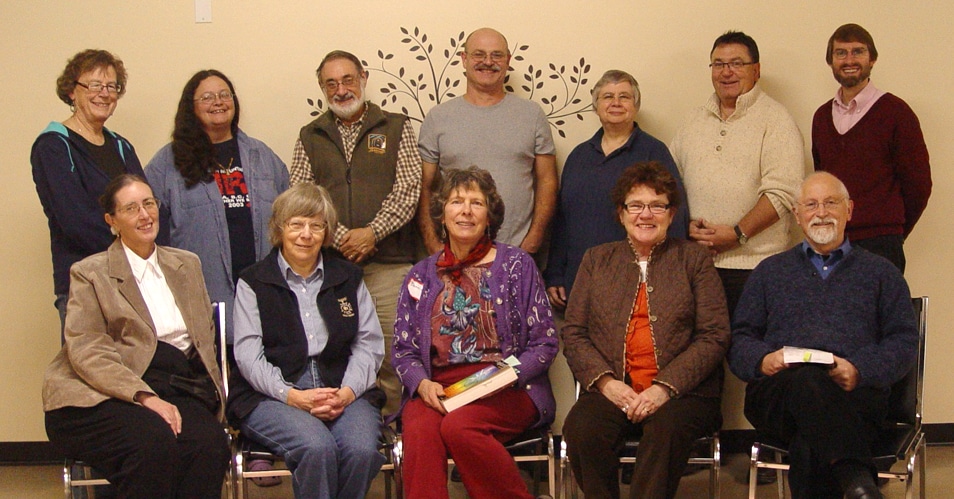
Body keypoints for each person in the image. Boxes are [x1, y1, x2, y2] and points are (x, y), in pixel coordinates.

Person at [728, 172, 919, 499]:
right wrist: (763, 359)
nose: (821, 212)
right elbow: (739, 338)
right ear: (798, 215)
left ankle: (856, 484)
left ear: (850, 210)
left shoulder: (882, 273)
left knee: (811, 443)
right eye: (811, 205)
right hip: (778, 394)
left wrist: (859, 369)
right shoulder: (769, 273)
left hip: (854, 392)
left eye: (831, 203)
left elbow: (902, 341)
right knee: (807, 382)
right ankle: (859, 482)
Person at [42, 174, 230, 498]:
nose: (145, 215)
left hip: (175, 383)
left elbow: (203, 339)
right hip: (103, 390)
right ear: (112, 221)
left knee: (210, 444)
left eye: (149, 203)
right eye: (131, 208)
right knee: (153, 446)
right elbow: (88, 350)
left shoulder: (187, 264)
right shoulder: (90, 273)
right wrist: (144, 397)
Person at [561, 162, 730, 499]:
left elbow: (714, 335)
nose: (646, 215)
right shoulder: (596, 260)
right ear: (621, 213)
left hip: (684, 395)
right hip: (613, 389)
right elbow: (574, 333)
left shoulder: (694, 259)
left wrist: (664, 389)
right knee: (581, 429)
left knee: (665, 432)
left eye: (657, 205)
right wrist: (608, 385)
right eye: (635, 206)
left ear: (672, 213)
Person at [392, 166, 558, 499]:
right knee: (421, 429)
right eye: (456, 201)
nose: (466, 210)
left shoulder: (517, 265)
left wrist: (503, 376)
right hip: (438, 387)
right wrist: (420, 383)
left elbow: (545, 342)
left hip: (509, 386)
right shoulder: (421, 275)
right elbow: (403, 348)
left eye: (476, 203)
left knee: (460, 426)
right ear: (442, 214)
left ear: (489, 216)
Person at [226, 183, 386, 498]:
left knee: (362, 451)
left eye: (316, 225)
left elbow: (369, 344)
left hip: (342, 387)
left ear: (326, 232)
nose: (306, 234)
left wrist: (346, 393)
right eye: (296, 224)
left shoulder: (347, 277)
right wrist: (292, 396)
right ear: (279, 228)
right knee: (316, 448)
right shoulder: (253, 281)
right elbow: (248, 356)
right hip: (272, 394)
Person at [289, 50, 421, 417]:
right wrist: (343, 236)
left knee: (394, 356)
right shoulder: (310, 135)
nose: (341, 89)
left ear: (363, 77)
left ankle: (398, 434)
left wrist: (372, 233)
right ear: (321, 86)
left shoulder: (396, 126)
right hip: (329, 268)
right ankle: (356, 433)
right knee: (337, 354)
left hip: (389, 266)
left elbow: (409, 187)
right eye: (331, 83)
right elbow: (303, 195)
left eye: (348, 80)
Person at [146, 69, 289, 340]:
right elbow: (147, 225)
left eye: (225, 95)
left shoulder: (262, 155)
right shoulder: (168, 162)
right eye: (208, 97)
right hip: (202, 292)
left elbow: (290, 215)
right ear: (191, 107)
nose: (219, 102)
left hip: (263, 288)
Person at [670, 30, 803, 317]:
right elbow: (669, 185)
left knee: (750, 356)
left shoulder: (777, 120)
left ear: (756, 70)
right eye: (718, 64)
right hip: (698, 265)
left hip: (757, 269)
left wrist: (737, 233)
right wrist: (684, 226)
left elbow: (783, 193)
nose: (726, 72)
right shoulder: (692, 121)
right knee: (703, 356)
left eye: (737, 63)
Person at [545, 70, 689, 310]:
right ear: (596, 106)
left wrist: (668, 278)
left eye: (624, 97)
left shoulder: (654, 153)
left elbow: (675, 217)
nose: (616, 103)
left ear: (636, 105)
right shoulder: (578, 156)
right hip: (580, 281)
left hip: (637, 283)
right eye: (607, 96)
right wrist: (556, 273)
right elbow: (562, 221)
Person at [32, 49, 145, 336]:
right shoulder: (54, 146)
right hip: (85, 285)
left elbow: (147, 208)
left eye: (112, 87)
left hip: (133, 283)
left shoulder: (122, 146)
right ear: (72, 91)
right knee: (88, 375)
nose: (104, 94)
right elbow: (74, 220)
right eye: (94, 85)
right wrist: (132, 243)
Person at [417, 27, 557, 255]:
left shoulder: (532, 115)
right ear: (464, 59)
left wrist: (533, 240)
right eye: (479, 54)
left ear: (508, 60)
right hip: (455, 255)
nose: (488, 62)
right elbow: (424, 186)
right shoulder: (438, 118)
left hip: (516, 252)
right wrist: (433, 244)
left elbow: (547, 181)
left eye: (497, 55)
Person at [812, 23, 932, 273]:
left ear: (872, 59)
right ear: (831, 61)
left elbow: (918, 185)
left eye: (858, 51)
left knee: (880, 313)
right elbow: (822, 181)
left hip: (882, 245)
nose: (849, 60)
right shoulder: (821, 117)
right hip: (831, 244)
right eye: (840, 53)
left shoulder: (896, 113)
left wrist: (891, 230)